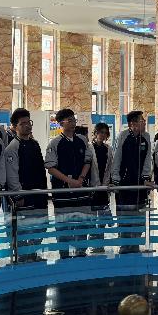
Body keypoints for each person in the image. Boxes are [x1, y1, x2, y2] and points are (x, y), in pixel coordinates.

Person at [45, 109, 99, 257]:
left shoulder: (82, 140)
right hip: (63, 193)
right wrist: (69, 181)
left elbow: (87, 161)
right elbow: (51, 168)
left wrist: (80, 179)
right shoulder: (55, 143)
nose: (73, 123)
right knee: (63, 225)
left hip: (81, 191)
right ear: (61, 123)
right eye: (69, 120)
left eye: (74, 119)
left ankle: (81, 252)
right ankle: (64, 254)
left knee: (83, 223)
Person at [110, 110, 153, 253]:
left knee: (140, 215)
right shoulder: (123, 136)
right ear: (132, 124)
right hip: (125, 184)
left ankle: (135, 244)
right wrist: (116, 180)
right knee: (125, 215)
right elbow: (116, 159)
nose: (144, 123)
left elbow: (147, 160)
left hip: (140, 185)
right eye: (141, 120)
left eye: (144, 120)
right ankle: (124, 245)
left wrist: (146, 178)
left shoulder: (146, 137)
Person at [5, 109, 49, 212]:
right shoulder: (12, 147)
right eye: (23, 123)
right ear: (15, 127)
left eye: (29, 122)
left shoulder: (34, 144)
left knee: (42, 220)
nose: (27, 126)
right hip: (24, 196)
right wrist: (18, 196)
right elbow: (11, 175)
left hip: (40, 193)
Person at [89, 122, 112, 215]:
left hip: (104, 184)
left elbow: (110, 166)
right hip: (93, 184)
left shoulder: (108, 148)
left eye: (105, 133)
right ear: (96, 133)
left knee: (104, 212)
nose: (103, 135)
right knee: (93, 213)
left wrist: (110, 181)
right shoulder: (89, 147)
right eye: (101, 132)